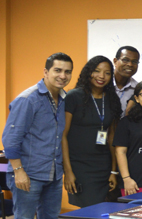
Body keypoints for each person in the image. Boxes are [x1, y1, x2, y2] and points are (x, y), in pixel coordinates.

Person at [2, 53, 73, 219]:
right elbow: (10, 139)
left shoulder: (64, 99)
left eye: (67, 72)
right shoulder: (28, 99)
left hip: (53, 175)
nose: (63, 76)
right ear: (46, 72)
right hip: (28, 174)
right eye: (58, 70)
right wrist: (19, 172)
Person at [63, 55, 122, 207]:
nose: (101, 76)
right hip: (79, 166)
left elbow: (112, 137)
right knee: (88, 209)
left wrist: (114, 171)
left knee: (106, 209)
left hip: (104, 165)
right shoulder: (73, 96)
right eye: (97, 71)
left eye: (107, 73)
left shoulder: (111, 99)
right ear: (88, 72)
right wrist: (68, 171)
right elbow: (62, 135)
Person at [113, 46, 140, 115]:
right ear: (115, 61)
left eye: (134, 61)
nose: (130, 64)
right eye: (125, 60)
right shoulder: (102, 83)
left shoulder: (137, 89)